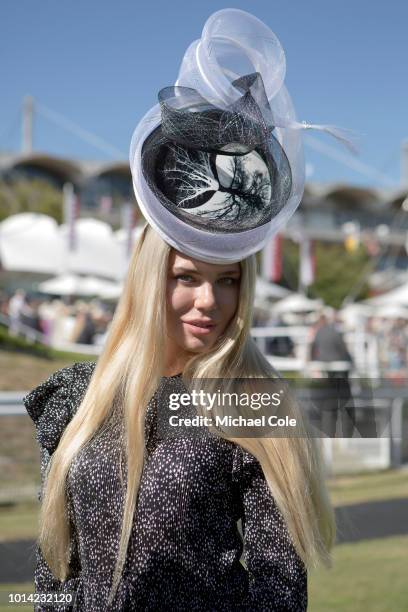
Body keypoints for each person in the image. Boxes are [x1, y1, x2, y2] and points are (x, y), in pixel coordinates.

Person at [24, 9, 343, 611]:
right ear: (149, 281)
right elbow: (52, 582)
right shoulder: (72, 402)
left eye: (227, 282)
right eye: (186, 278)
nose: (208, 302)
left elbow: (279, 592)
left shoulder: (252, 405)